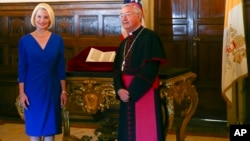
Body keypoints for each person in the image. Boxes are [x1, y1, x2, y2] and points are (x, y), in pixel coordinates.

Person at [113, 2, 167, 141]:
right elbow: (117, 70)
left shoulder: (150, 37)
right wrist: (119, 89)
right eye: (121, 15)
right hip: (125, 92)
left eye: (128, 14)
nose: (123, 19)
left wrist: (132, 92)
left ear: (139, 16)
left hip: (143, 91)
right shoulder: (124, 43)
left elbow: (151, 69)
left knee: (146, 131)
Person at [18, 3, 67, 141]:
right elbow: (22, 69)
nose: (42, 20)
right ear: (34, 18)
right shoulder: (24, 41)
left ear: (50, 19)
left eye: (46, 17)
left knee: (49, 130)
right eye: (39, 16)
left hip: (52, 88)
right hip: (32, 90)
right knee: (35, 129)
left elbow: (60, 67)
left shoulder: (57, 40)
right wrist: (22, 93)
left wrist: (63, 91)